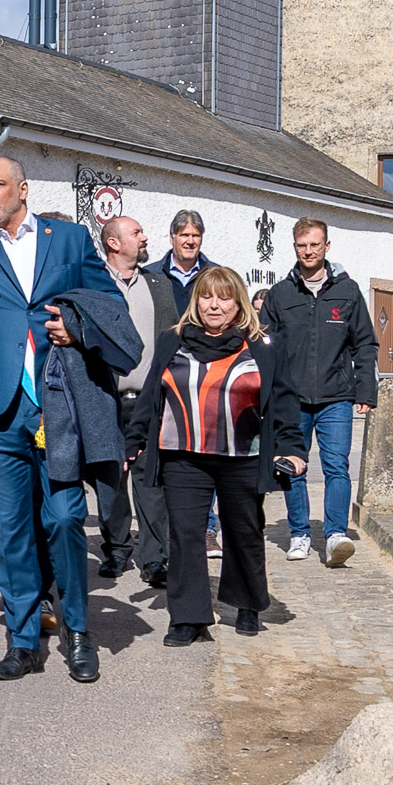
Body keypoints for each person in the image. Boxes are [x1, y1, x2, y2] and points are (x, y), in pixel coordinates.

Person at [0, 156, 121, 684]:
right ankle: (22, 641)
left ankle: (78, 631)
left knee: (64, 517)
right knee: (9, 527)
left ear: (23, 189)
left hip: (56, 400)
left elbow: (108, 303)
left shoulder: (70, 239)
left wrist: (76, 329)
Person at [130, 266, 305, 645]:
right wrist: (134, 440)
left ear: (238, 303)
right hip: (182, 455)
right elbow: (151, 394)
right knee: (185, 534)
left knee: (244, 530)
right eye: (207, 296)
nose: (214, 305)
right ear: (196, 301)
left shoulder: (262, 344)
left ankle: (246, 604)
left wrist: (292, 447)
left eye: (224, 298)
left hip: (243, 455)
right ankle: (188, 618)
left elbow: (284, 399)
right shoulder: (172, 340)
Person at [259, 217, 377, 569]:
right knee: (291, 466)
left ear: (326, 246)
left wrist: (365, 390)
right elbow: (264, 345)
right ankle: (299, 534)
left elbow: (364, 343)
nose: (308, 251)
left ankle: (336, 534)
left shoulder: (348, 291)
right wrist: (266, 393)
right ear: (295, 247)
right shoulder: (281, 294)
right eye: (302, 245)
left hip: (336, 396)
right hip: (291, 398)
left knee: (337, 466)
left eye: (314, 245)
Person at [99, 216, 175, 590]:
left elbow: (174, 339)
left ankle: (155, 557)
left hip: (151, 399)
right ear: (114, 243)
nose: (144, 237)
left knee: (151, 478)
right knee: (111, 477)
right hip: (106, 399)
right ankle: (116, 548)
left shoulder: (159, 285)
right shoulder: (95, 283)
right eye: (136, 233)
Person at [143, 210, 223, 559]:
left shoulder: (214, 275)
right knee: (168, 451)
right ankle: (166, 532)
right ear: (172, 238)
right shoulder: (151, 275)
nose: (190, 241)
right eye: (184, 235)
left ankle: (206, 528)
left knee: (206, 449)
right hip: (163, 372)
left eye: (196, 235)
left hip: (206, 374)